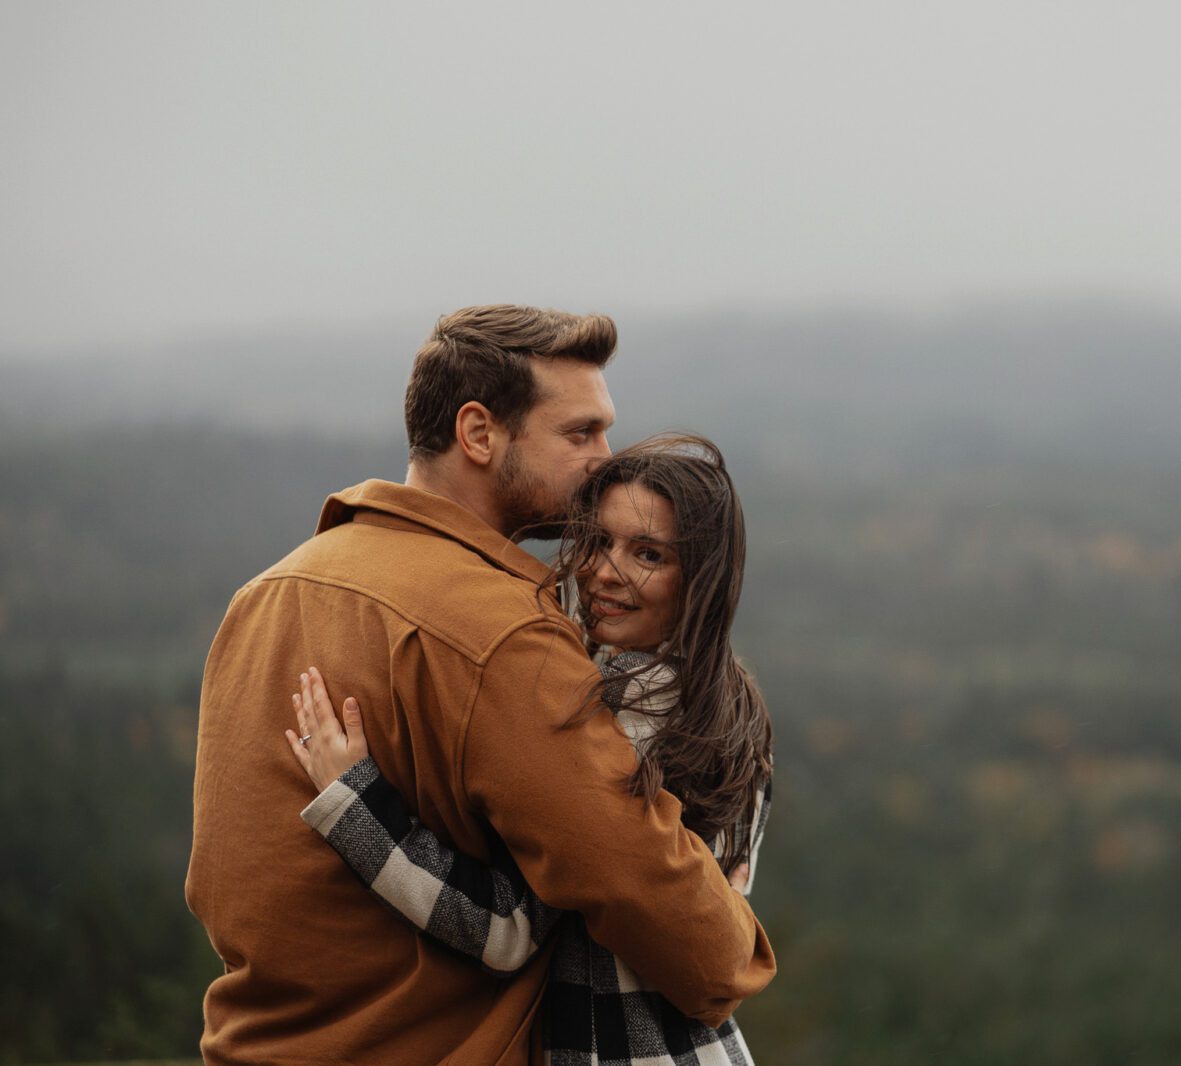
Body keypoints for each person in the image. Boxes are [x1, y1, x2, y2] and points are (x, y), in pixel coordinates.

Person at [184, 307, 774, 1065]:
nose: (605, 457)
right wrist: (738, 950)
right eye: (580, 433)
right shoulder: (506, 635)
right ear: (479, 433)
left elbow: (219, 882)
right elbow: (643, 890)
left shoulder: (266, 594)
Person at [286, 435, 773, 1065]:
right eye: (597, 541)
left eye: (647, 553)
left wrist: (357, 804)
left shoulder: (621, 707)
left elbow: (505, 931)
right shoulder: (732, 711)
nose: (604, 570)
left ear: (701, 577)